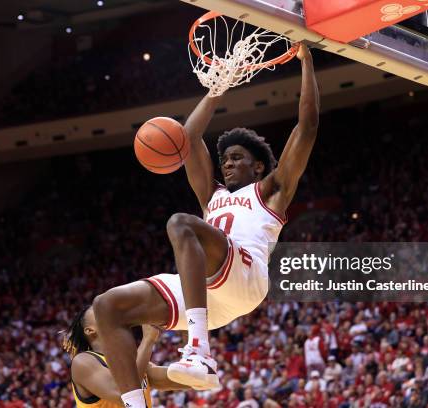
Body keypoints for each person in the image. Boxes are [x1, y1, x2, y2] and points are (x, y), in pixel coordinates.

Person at [93, 42, 320, 408]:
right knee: (107, 307)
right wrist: (218, 86)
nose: (227, 164)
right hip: (207, 292)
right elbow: (189, 138)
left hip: (245, 275)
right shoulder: (211, 197)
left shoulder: (272, 190)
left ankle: (199, 351)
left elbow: (307, 127)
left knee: (181, 223)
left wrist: (307, 62)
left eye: (236, 158)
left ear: (258, 166)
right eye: (224, 159)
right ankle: (135, 405)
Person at [63, 305, 188, 407]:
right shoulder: (83, 362)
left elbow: (180, 379)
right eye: (98, 311)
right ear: (90, 330)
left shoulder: (134, 361)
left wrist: (187, 323)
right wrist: (148, 340)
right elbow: (124, 393)